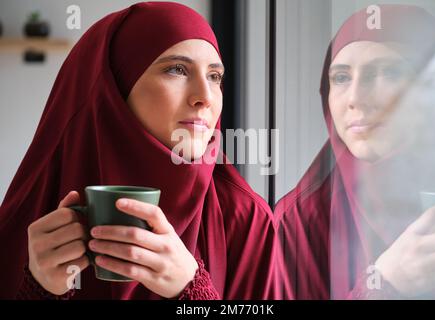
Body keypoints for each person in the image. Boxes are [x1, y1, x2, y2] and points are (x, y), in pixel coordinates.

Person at [0, 2, 281, 300]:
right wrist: (40, 289)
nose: (205, 97)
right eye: (177, 69)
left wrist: (192, 289)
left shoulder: (244, 217)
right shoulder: (30, 217)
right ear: (113, 89)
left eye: (214, 76)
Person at [275, 4, 435, 299]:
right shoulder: (301, 219)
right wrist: (386, 285)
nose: (355, 98)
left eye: (389, 72)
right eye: (341, 78)